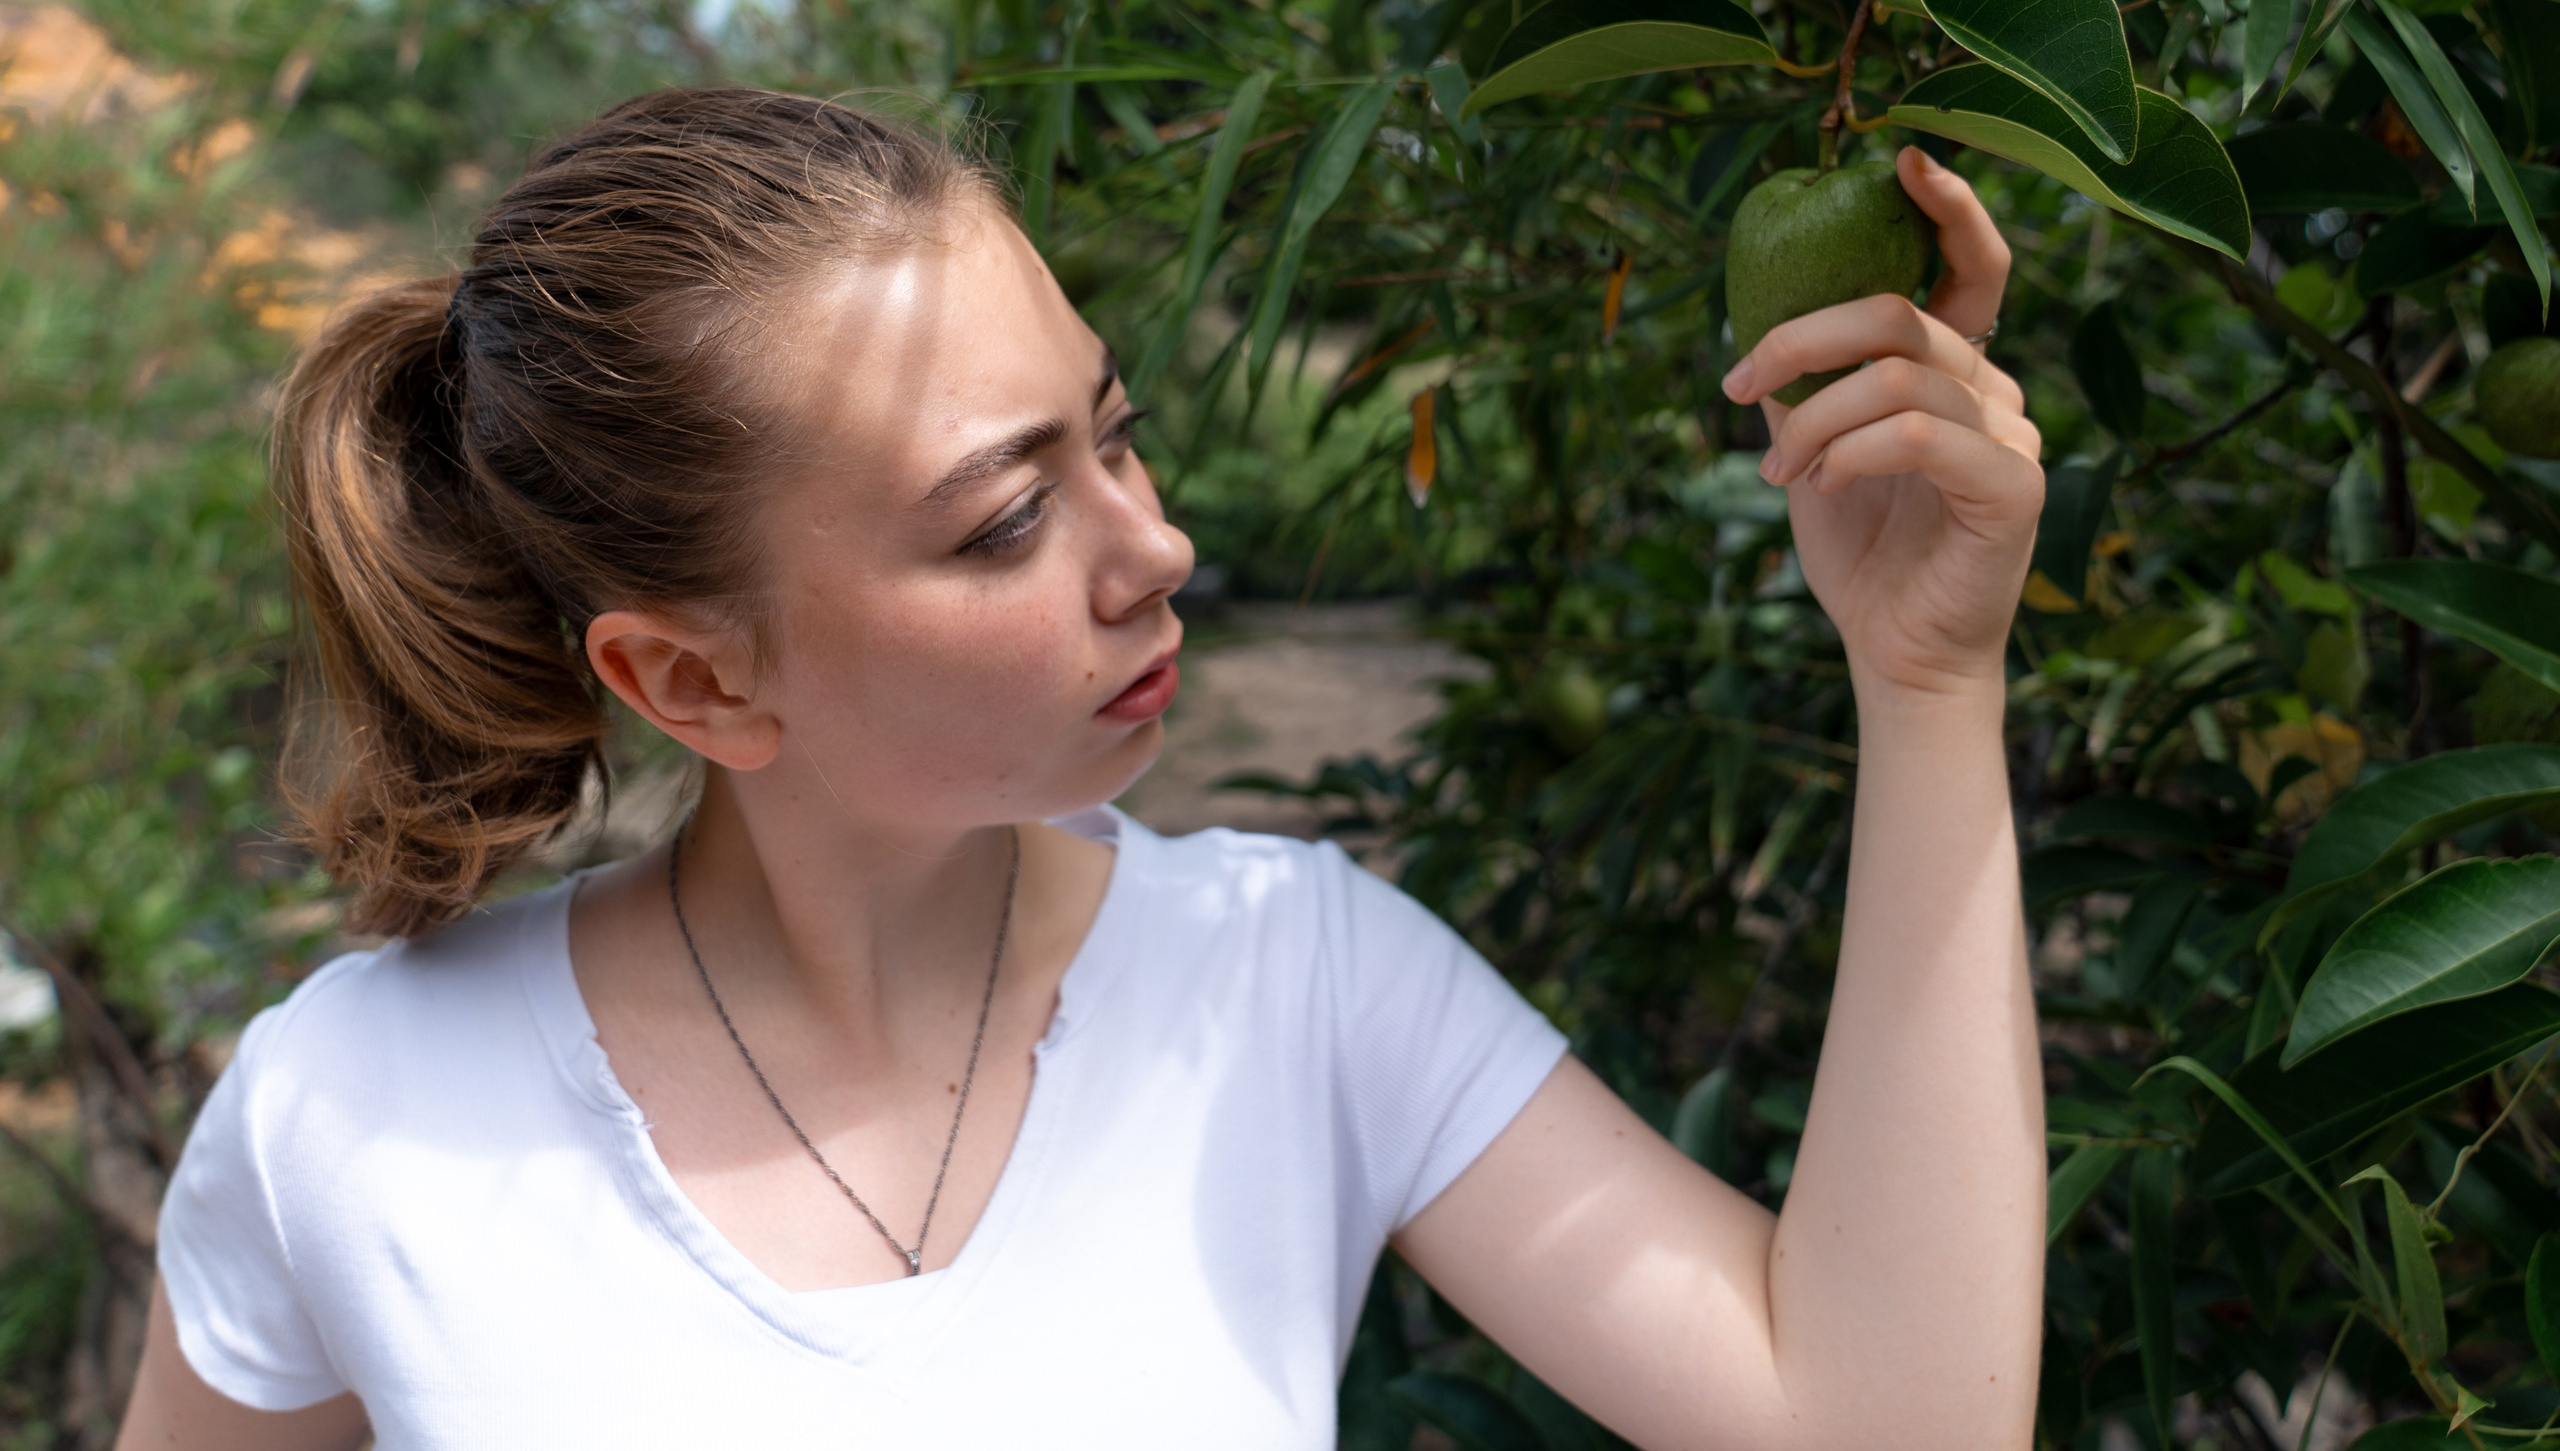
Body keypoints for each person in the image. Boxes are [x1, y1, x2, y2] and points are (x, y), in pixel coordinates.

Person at [118, 88, 2047, 1450]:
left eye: (1111, 436)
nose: (1155, 549)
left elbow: (1887, 1427)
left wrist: (1929, 678)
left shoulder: (1299, 983)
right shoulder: (353, 1118)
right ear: (693, 680)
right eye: (1000, 524)